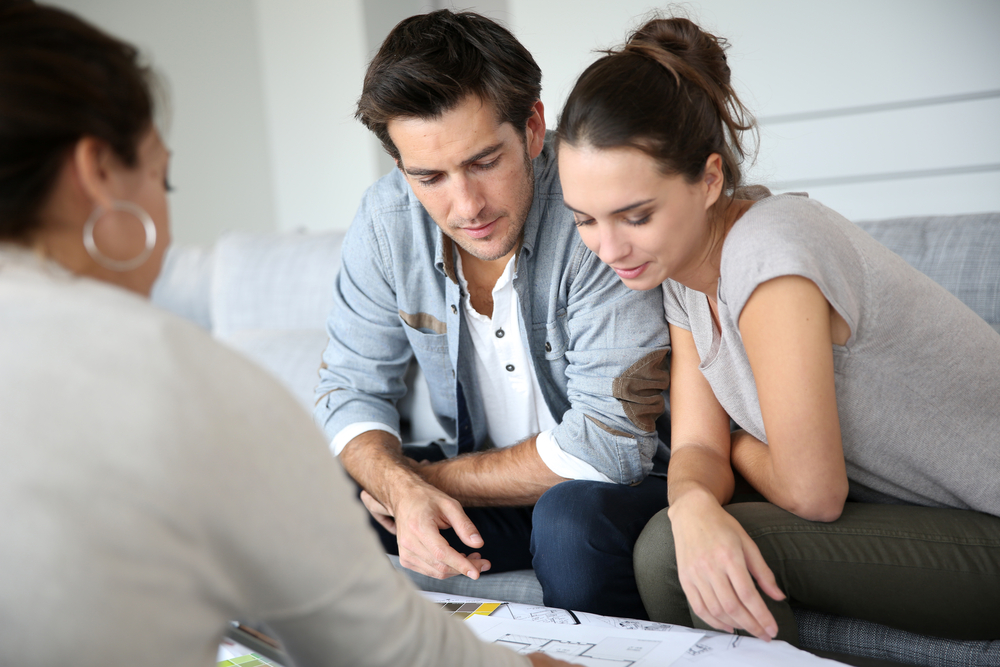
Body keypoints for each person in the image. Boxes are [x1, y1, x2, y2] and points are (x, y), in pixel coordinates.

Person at [0, 4, 572, 666]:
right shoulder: (194, 385)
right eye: (164, 176)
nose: (464, 203)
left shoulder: (581, 210)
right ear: (99, 172)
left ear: (531, 128)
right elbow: (386, 646)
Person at [555, 15, 1000, 645]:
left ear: (710, 179)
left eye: (635, 215)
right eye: (585, 220)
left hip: (987, 526)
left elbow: (811, 493)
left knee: (669, 558)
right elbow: (696, 450)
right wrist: (694, 502)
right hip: (926, 520)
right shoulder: (681, 276)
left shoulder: (770, 254)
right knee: (684, 533)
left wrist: (734, 452)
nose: (609, 247)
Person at [314, 9, 671, 619]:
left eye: (484, 161)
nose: (467, 205)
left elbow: (612, 447)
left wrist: (431, 481)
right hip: (491, 484)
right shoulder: (385, 221)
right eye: (429, 176)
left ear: (533, 128)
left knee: (568, 526)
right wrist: (397, 484)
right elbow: (350, 387)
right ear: (401, 168)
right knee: (316, 491)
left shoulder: (594, 210)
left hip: (622, 485)